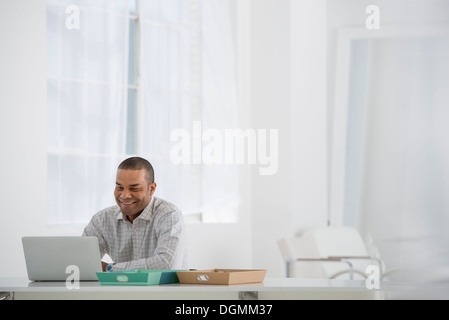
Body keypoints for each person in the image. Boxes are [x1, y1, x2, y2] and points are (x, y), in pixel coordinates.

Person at [83, 156, 188, 271]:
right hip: (120, 288)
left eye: (134, 189)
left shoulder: (169, 215)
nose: (125, 195)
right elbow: (81, 260)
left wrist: (110, 268)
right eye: (119, 187)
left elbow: (166, 264)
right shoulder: (101, 220)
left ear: (152, 188)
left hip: (162, 289)